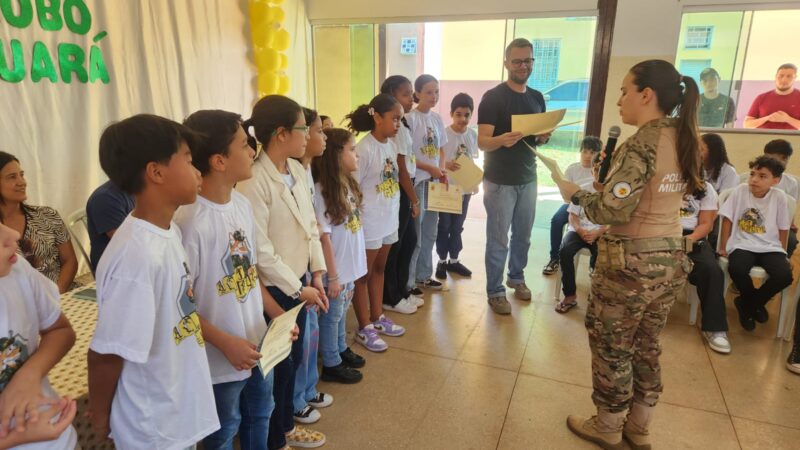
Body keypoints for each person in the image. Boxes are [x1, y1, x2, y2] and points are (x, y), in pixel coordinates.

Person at [554, 60, 702, 449]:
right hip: (669, 259)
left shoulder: (641, 144)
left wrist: (576, 194)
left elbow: (611, 211)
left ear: (646, 95)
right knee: (647, 344)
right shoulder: (684, 138)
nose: (620, 100)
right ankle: (639, 427)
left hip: (631, 266)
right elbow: (652, 195)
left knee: (612, 345)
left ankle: (607, 426)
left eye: (624, 91)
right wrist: (608, 184)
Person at [87, 114, 220, 448]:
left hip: (174, 408)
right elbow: (108, 352)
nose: (197, 171)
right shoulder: (136, 255)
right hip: (152, 426)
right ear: (156, 172)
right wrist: (99, 416)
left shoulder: (167, 231)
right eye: (188, 160)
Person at [177, 109, 276, 449]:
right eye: (244, 144)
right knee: (223, 430)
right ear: (219, 161)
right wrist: (225, 343)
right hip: (218, 359)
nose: (252, 151)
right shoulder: (190, 223)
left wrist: (276, 315)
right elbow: (181, 306)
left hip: (256, 342)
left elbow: (248, 272)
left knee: (261, 411)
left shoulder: (241, 206)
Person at [237, 95, 328, 450]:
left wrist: (316, 272)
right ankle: (275, 439)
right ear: (281, 133)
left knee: (293, 360)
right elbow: (260, 251)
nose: (308, 135)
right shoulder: (254, 180)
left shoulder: (296, 170)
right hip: (274, 290)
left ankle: (286, 427)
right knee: (275, 368)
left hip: (299, 284)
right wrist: (297, 286)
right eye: (303, 128)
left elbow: (310, 225)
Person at [477, 38, 550, 315]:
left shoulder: (537, 98)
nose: (523, 66)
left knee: (523, 236)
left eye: (528, 60)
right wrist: (501, 140)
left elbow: (537, 138)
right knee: (498, 240)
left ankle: (516, 277)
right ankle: (495, 291)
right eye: (517, 61)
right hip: (499, 182)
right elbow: (483, 142)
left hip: (528, 177)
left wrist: (543, 137)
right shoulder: (493, 98)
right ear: (506, 63)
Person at [0, 221, 78, 449]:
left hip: (58, 440)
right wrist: (13, 439)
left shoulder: (16, 270)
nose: (14, 234)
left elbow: (60, 330)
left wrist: (29, 374)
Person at [346, 93, 406, 353]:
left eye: (400, 119)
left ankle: (377, 315)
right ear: (378, 118)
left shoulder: (391, 145)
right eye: (394, 119)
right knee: (363, 274)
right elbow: (352, 187)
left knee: (380, 269)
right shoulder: (364, 148)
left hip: (388, 218)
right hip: (369, 221)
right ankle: (364, 326)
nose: (398, 124)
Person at [311, 128, 367, 384]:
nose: (357, 155)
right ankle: (331, 362)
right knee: (332, 317)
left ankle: (341, 348)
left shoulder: (347, 184)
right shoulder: (321, 191)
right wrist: (332, 277)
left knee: (342, 312)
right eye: (352, 150)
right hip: (335, 271)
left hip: (349, 267)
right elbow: (324, 238)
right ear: (335, 155)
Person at [291, 107, 333, 426]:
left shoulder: (305, 170)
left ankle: (307, 389)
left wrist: (318, 272)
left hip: (310, 266)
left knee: (312, 331)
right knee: (302, 337)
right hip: (295, 269)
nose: (321, 137)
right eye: (318, 130)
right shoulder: (292, 172)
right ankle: (295, 399)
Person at [719, 156, 793, 332]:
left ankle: (747, 304)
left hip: (770, 246)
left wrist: (782, 252)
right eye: (752, 174)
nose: (754, 179)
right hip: (742, 243)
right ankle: (753, 305)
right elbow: (727, 219)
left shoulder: (779, 197)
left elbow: (783, 228)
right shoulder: (740, 191)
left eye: (762, 176)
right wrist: (723, 246)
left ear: (775, 180)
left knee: (784, 276)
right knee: (737, 268)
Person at [0, 152, 77, 293]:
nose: (22, 182)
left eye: (21, 175)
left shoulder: (47, 215)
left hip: (60, 294)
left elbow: (69, 260)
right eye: (12, 177)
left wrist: (55, 295)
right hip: (16, 301)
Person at [381, 75, 423, 315]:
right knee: (397, 246)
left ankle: (401, 290)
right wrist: (413, 199)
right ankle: (390, 296)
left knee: (408, 241)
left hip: (408, 185)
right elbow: (401, 168)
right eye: (405, 94)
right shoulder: (394, 127)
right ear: (391, 96)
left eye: (410, 93)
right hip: (402, 187)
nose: (411, 98)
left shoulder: (402, 123)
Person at [407, 74, 448, 291]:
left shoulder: (437, 119)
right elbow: (407, 156)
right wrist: (430, 168)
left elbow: (441, 149)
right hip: (418, 183)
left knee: (431, 232)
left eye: (437, 92)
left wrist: (440, 169)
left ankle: (424, 275)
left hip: (434, 183)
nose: (434, 96)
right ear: (417, 93)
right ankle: (409, 281)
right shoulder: (410, 119)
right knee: (416, 235)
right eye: (429, 92)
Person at [543, 136, 603, 276]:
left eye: (592, 152)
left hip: (593, 205)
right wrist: (559, 183)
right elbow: (565, 195)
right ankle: (554, 258)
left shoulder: (599, 171)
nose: (588, 156)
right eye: (585, 151)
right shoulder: (572, 169)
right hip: (573, 204)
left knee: (596, 226)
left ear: (598, 155)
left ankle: (593, 264)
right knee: (556, 220)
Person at [555, 153, 607, 313]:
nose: (601, 174)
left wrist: (598, 231)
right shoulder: (582, 189)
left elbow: (617, 222)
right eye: (598, 169)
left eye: (606, 170)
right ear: (592, 170)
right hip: (579, 230)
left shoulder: (616, 194)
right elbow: (572, 215)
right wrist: (580, 230)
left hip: (602, 232)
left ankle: (598, 298)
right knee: (565, 251)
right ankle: (570, 295)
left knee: (604, 255)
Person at [681, 182, 730, 353]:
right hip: (660, 233)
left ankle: (715, 328)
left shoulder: (705, 188)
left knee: (711, 270)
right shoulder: (660, 180)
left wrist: (687, 241)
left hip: (692, 236)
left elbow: (706, 224)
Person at [435, 92, 478, 280]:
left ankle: (454, 260)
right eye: (458, 114)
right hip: (446, 188)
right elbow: (435, 159)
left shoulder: (472, 135)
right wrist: (445, 164)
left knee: (458, 227)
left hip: (464, 190)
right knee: (444, 226)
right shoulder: (443, 134)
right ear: (451, 113)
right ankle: (441, 261)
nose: (463, 119)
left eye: (467, 115)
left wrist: (474, 182)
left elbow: (471, 161)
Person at [86, 180, 134, 274]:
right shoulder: (105, 198)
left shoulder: (139, 190)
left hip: (133, 260)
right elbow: (126, 245)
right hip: (115, 269)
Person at [763, 139, 799, 257]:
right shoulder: (755, 178)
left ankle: (781, 261)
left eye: (773, 160)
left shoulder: (791, 183)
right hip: (757, 222)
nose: (769, 163)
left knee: (791, 240)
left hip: (780, 224)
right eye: (766, 159)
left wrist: (791, 223)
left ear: (785, 159)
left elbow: (790, 209)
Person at [744, 63, 800, 130]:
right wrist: (767, 118)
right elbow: (747, 125)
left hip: (792, 137)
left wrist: (787, 119)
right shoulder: (761, 97)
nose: (784, 80)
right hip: (763, 136)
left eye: (789, 76)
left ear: (795, 78)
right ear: (775, 77)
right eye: (781, 76)